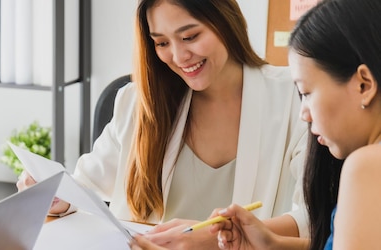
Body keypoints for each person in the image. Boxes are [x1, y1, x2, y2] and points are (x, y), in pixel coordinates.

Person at [18, 0, 309, 248]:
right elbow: (86, 186)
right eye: (162, 43)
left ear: (226, 22)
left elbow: (312, 216)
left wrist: (216, 237)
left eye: (190, 36)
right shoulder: (138, 102)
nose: (179, 57)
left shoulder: (294, 99)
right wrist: (56, 195)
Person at [200, 0, 381, 249]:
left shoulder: (367, 167)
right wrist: (272, 244)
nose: (303, 114)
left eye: (306, 93)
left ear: (364, 84)